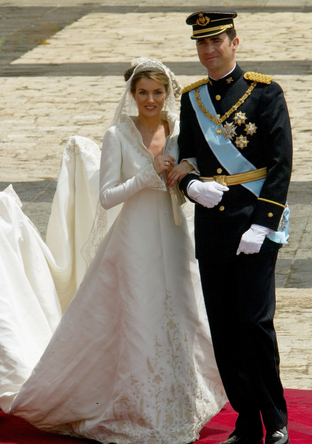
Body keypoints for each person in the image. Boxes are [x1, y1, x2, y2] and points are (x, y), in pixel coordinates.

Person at [0, 58, 226, 443]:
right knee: (140, 316)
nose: (150, 99)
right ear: (131, 94)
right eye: (143, 93)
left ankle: (180, 400)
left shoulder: (177, 130)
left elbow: (186, 179)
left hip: (172, 233)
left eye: (157, 92)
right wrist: (147, 175)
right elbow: (106, 197)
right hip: (135, 239)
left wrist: (182, 173)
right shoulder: (117, 135)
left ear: (167, 93)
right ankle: (138, 406)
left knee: (181, 313)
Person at [169, 11, 292, 444]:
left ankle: (275, 421)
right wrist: (190, 187)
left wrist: (263, 223)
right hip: (213, 227)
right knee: (224, 327)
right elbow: (186, 158)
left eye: (216, 42)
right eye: (201, 44)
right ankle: (246, 420)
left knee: (256, 324)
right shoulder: (192, 99)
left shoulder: (265, 92)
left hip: (254, 225)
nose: (208, 50)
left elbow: (280, 165)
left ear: (234, 44)